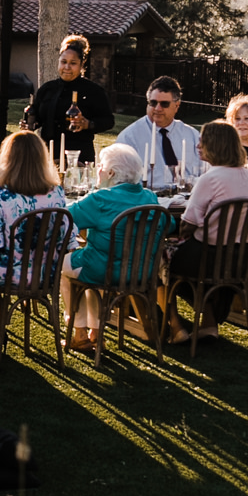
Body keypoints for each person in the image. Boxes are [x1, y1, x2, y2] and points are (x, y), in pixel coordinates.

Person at [165, 119, 248, 342]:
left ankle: (173, 325)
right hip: (239, 258)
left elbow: (189, 222)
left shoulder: (210, 178)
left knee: (159, 257)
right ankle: (209, 322)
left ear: (216, 145)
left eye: (203, 142)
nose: (198, 146)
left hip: (205, 258)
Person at [58, 141, 158, 349]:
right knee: (96, 261)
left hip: (104, 269)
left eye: (100, 167)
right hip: (141, 272)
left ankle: (79, 331)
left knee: (62, 264)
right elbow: (169, 223)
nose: (98, 172)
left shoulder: (101, 199)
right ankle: (96, 331)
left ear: (111, 173)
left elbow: (65, 217)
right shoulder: (150, 197)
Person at [0, 130, 68, 286]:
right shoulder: (56, 193)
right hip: (47, 273)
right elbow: (64, 236)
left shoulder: (0, 195)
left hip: (7, 274)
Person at [22, 37, 113, 170]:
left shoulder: (94, 91)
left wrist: (88, 124)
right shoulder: (47, 89)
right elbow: (37, 118)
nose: (67, 67)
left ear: (82, 64)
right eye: (63, 62)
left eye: (73, 63)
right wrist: (29, 124)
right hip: (48, 156)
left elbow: (108, 121)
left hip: (80, 157)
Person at [117, 77, 203, 189]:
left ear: (177, 105)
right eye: (153, 103)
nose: (158, 108)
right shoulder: (129, 138)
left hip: (187, 199)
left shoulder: (192, 136)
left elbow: (206, 171)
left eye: (164, 104)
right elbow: (120, 181)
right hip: (147, 201)